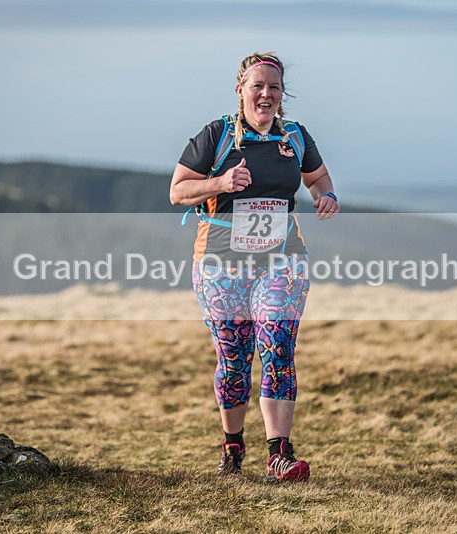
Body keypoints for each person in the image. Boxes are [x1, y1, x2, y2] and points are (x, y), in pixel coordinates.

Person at [169, 52, 339, 483]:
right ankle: (232, 446)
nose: (266, 94)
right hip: (220, 266)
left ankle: (280, 454)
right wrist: (220, 183)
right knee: (234, 360)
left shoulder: (295, 137)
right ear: (241, 90)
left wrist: (326, 195)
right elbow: (177, 191)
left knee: (278, 344)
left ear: (282, 95)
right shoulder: (217, 135)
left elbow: (318, 178)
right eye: (257, 86)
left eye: (274, 87)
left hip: (282, 261)